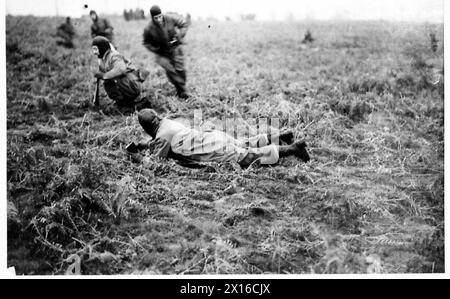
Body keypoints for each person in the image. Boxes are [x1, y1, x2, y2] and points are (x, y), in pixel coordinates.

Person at [129, 109, 311, 168]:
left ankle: (294, 149)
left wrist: (137, 156)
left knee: (248, 157)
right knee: (243, 143)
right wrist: (145, 145)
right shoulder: (167, 123)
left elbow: (154, 164)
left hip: (210, 148)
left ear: (146, 127)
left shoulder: (162, 138)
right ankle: (280, 135)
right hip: (213, 137)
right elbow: (160, 140)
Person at [142, 5, 190, 99]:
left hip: (175, 48)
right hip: (161, 53)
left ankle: (180, 89)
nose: (159, 19)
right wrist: (155, 49)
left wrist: (179, 35)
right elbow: (146, 43)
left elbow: (184, 24)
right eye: (156, 18)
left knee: (180, 70)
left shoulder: (170, 18)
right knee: (170, 70)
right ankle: (183, 90)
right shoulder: (148, 28)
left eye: (160, 16)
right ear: (152, 18)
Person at [92, 36, 149, 108]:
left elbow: (121, 70)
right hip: (128, 84)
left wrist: (104, 75)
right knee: (108, 82)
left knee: (117, 79)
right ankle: (122, 102)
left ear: (102, 48)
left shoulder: (114, 56)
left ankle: (131, 102)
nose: (94, 52)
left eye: (95, 49)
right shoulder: (104, 58)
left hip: (132, 85)